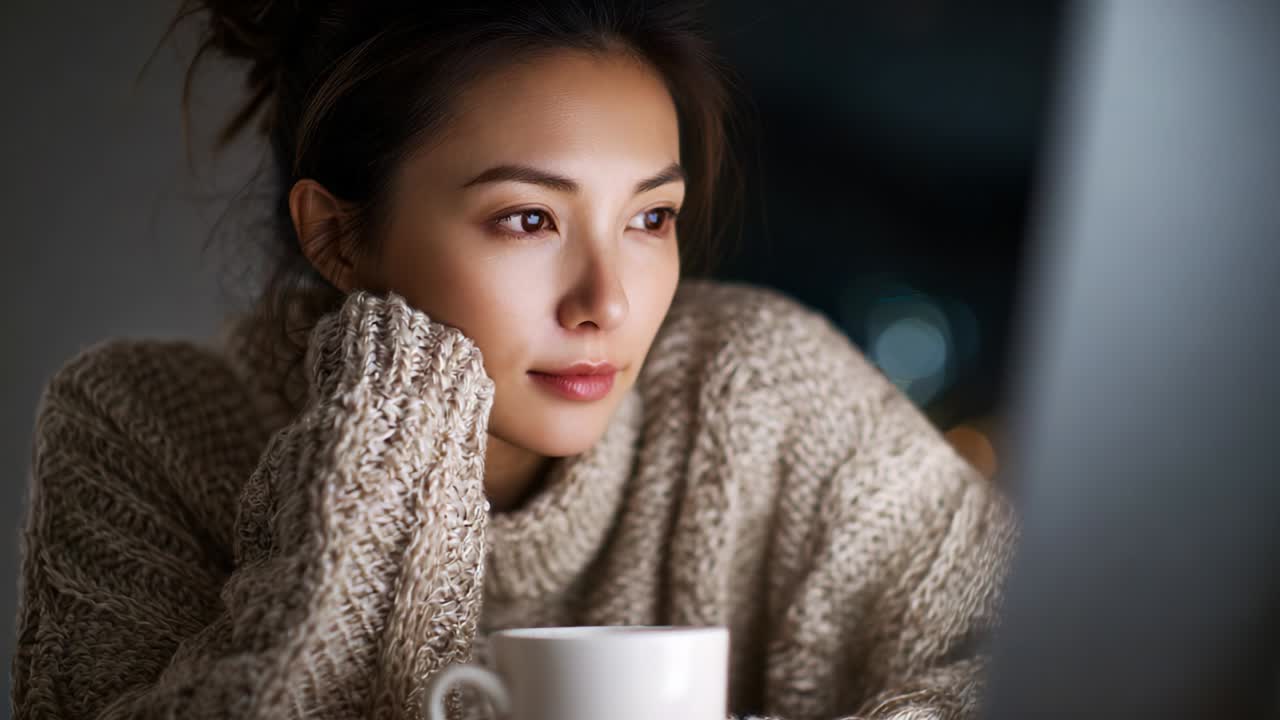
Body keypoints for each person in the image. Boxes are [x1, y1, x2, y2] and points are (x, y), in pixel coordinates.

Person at [10, 2, 1017, 718]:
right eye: (526, 218)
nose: (608, 303)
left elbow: (1020, 659)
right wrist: (392, 434)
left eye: (650, 217)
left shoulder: (756, 387)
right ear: (337, 237)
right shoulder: (136, 423)